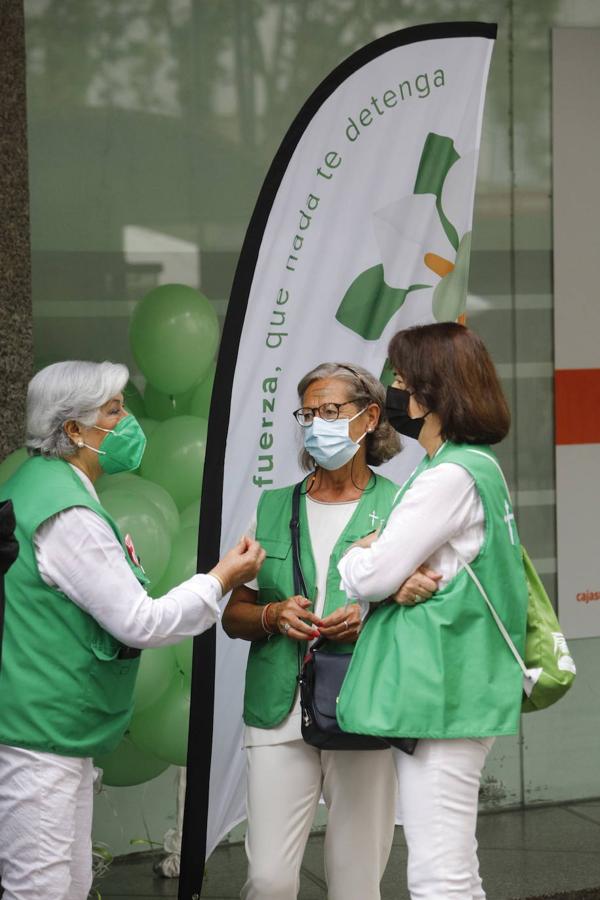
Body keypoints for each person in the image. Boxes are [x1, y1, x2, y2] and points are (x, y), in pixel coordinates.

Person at [0, 360, 265, 900]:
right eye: (115, 411)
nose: (128, 422)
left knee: (65, 884)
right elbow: (140, 621)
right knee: (43, 889)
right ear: (73, 429)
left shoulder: (38, 483)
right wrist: (221, 579)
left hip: (46, 726)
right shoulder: (64, 511)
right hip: (40, 732)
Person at [222, 362, 439, 900]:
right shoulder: (273, 507)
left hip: (361, 706)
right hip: (277, 709)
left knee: (355, 880)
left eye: (330, 411)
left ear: (369, 418)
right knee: (268, 879)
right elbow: (233, 614)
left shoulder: (401, 508)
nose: (315, 422)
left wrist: (367, 624)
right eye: (308, 413)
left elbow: (431, 615)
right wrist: (273, 617)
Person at [337, 323, 529, 900]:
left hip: (442, 695)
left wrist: (356, 554)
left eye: (400, 379)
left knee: (436, 873)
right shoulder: (476, 467)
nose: (393, 390)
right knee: (455, 864)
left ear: (432, 392)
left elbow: (369, 575)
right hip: (462, 687)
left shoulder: (445, 477)